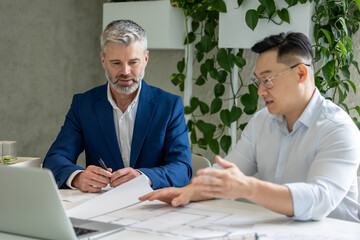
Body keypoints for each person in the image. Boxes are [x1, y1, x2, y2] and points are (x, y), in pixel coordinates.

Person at [140, 32, 360, 222]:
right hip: (277, 230)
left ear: (301, 73)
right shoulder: (262, 122)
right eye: (258, 82)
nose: (260, 92)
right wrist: (183, 193)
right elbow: (226, 174)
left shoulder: (338, 129)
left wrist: (247, 187)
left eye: (268, 80)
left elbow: (319, 200)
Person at [43, 20, 192, 192]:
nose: (125, 72)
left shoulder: (170, 106)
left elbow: (182, 168)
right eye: (116, 63)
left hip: (153, 207)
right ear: (103, 60)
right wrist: (77, 177)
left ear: (145, 59)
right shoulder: (83, 105)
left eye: (133, 62)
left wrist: (144, 177)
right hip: (100, 208)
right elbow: (54, 159)